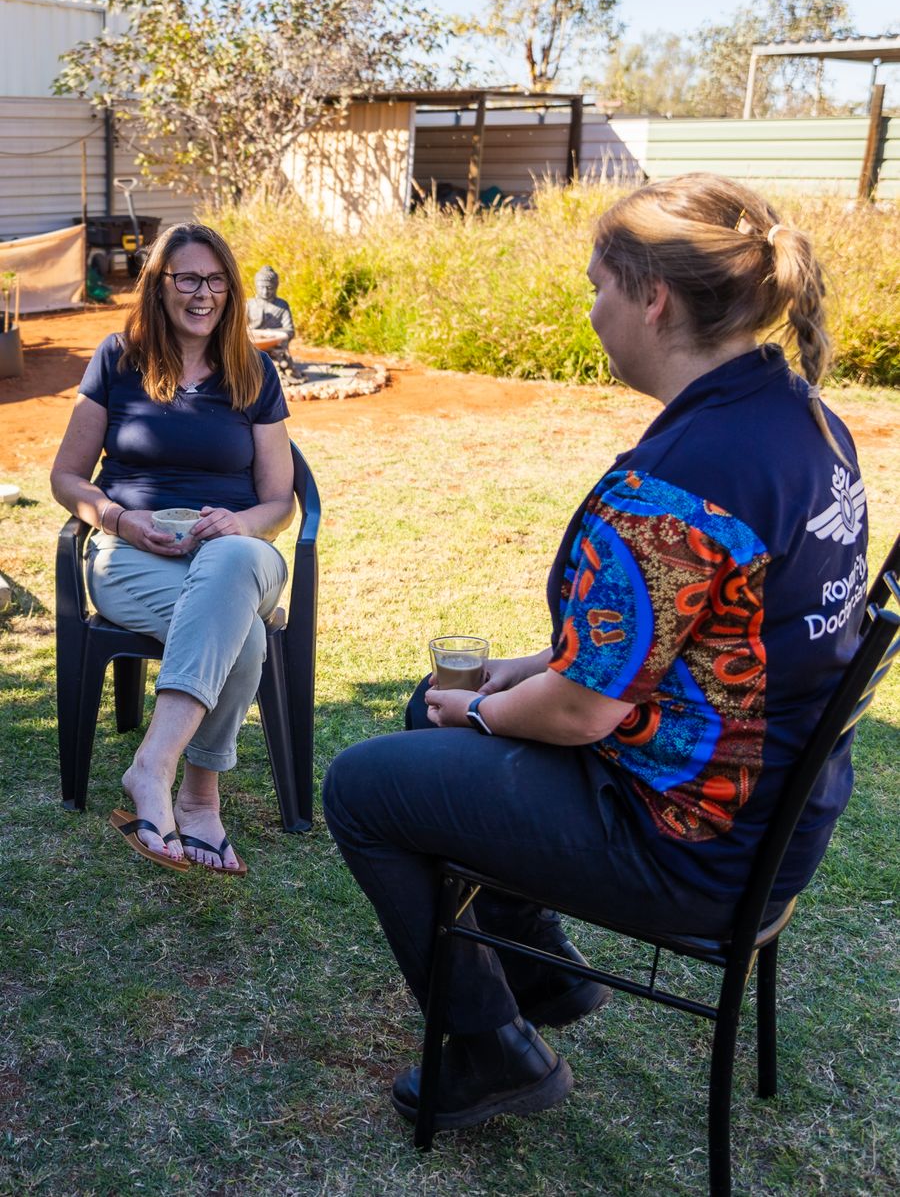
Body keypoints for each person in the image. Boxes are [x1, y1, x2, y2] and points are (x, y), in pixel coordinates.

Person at [322, 173, 868, 1132]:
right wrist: (520, 673)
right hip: (771, 807)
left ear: (652, 298)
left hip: (690, 845)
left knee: (364, 786)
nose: (592, 310)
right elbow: (687, 639)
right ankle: (542, 977)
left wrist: (490, 709)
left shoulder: (677, 484)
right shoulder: (801, 420)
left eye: (597, 287)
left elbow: (584, 712)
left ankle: (492, 1051)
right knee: (427, 710)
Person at [51, 223, 296, 874]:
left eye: (216, 280)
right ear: (159, 286)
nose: (203, 293)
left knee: (235, 563)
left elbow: (280, 501)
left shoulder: (254, 371)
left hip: (237, 549)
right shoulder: (117, 359)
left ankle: (152, 769)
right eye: (187, 278)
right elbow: (66, 477)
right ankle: (197, 800)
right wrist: (117, 518)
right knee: (241, 637)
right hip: (135, 552)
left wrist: (241, 523)